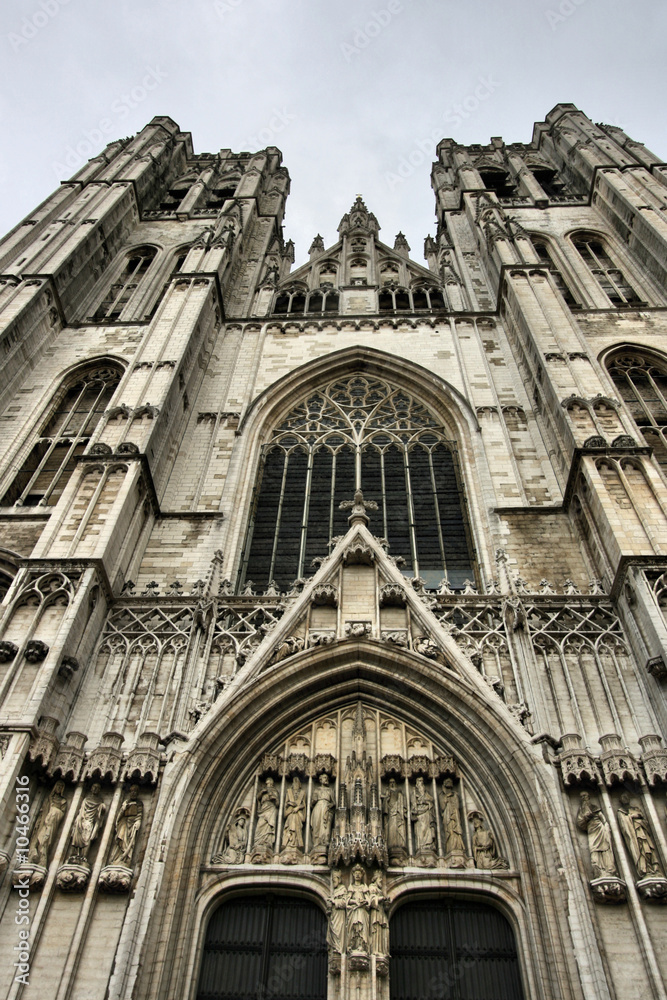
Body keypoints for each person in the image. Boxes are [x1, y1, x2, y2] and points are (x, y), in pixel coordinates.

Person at [617, 794, 662, 878]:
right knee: (640, 849)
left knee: (648, 848)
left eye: (626, 797)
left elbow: (645, 822)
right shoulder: (621, 811)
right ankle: (646, 869)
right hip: (634, 834)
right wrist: (631, 817)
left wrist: (639, 818)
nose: (625, 799)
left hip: (642, 831)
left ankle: (654, 868)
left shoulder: (636, 809)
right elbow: (624, 826)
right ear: (620, 801)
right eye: (623, 797)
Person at [576, 793, 617, 878]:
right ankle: (598, 871)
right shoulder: (582, 810)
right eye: (581, 796)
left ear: (589, 797)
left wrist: (606, 828)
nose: (583, 798)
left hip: (600, 829)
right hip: (591, 830)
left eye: (585, 796)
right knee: (594, 848)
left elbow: (603, 819)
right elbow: (580, 822)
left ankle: (608, 869)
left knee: (605, 847)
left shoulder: (595, 808)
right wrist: (586, 818)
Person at [29, 781, 67, 867]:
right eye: (58, 786)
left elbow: (62, 813)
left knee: (46, 839)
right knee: (38, 836)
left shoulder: (63, 801)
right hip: (44, 820)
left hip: (52, 822)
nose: (59, 788)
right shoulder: (49, 798)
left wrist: (54, 811)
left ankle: (42, 858)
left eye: (61, 787)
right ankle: (33, 854)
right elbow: (42, 809)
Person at [69, 783, 106, 862]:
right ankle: (75, 854)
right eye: (94, 787)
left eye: (97, 788)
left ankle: (83, 856)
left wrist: (102, 808)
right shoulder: (86, 799)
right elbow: (81, 810)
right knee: (77, 836)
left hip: (90, 821)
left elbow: (100, 814)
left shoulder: (99, 801)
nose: (95, 789)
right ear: (91, 788)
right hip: (81, 820)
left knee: (87, 838)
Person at [108, 785, 143, 867]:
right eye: (132, 791)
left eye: (135, 792)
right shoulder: (126, 802)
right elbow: (120, 815)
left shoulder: (139, 803)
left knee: (128, 841)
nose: (133, 793)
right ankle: (117, 858)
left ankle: (125, 858)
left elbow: (139, 814)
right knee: (121, 838)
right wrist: (124, 809)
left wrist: (138, 821)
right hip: (124, 822)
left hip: (132, 824)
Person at [346, 864, 370, 952]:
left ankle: (361, 945)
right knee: (354, 927)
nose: (357, 875)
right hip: (354, 911)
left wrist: (364, 901)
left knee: (362, 928)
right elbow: (347, 900)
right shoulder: (351, 887)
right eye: (356, 873)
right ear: (353, 875)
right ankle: (353, 945)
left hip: (362, 910)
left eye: (359, 873)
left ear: (362, 875)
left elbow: (368, 900)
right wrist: (355, 901)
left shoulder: (364, 887)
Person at [383, 778, 407, 862]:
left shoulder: (399, 792)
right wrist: (386, 799)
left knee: (397, 826)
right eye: (390, 782)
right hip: (391, 813)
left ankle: (398, 845)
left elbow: (402, 802)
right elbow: (385, 800)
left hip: (396, 812)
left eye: (393, 782)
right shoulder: (387, 791)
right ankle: (391, 845)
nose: (392, 784)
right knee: (391, 828)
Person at [412, 777, 436, 859]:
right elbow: (413, 806)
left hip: (426, 814)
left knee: (427, 830)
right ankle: (421, 846)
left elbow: (431, 800)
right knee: (421, 831)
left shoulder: (426, 793)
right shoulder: (414, 793)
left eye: (422, 781)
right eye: (419, 781)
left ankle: (428, 846)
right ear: (416, 783)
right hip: (419, 815)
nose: (421, 783)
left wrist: (425, 802)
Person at [310, 774, 335, 854]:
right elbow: (312, 802)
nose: (326, 779)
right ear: (320, 780)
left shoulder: (330, 790)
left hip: (326, 807)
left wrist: (331, 805)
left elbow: (334, 802)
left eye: (327, 778)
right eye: (324, 777)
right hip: (318, 806)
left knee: (325, 825)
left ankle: (324, 842)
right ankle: (316, 842)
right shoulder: (317, 790)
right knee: (316, 824)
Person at [253, 777, 279, 852]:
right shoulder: (263, 789)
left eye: (269, 781)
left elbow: (277, 803)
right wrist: (262, 792)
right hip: (263, 808)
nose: (268, 782)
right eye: (267, 781)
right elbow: (258, 797)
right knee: (260, 824)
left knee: (268, 825)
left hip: (271, 808)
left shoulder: (274, 791)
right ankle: (259, 842)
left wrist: (274, 798)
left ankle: (267, 842)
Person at [439, 778, 464, 855]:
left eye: (450, 781)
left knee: (455, 830)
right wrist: (446, 798)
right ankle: (450, 847)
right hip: (447, 815)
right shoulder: (442, 795)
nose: (449, 783)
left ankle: (457, 847)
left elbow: (457, 806)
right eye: (447, 781)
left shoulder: (455, 794)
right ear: (444, 784)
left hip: (455, 815)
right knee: (450, 831)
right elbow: (442, 807)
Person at [281, 776, 306, 854]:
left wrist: (298, 807)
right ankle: (289, 842)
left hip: (298, 814)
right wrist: (290, 804)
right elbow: (286, 803)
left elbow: (304, 805)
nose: (295, 785)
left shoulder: (302, 793)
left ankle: (295, 842)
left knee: (297, 826)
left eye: (297, 784)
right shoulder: (289, 792)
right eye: (294, 784)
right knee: (290, 826)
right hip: (290, 813)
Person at [326, 869, 348, 954]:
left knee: (339, 931)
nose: (333, 881)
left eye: (334, 878)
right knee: (334, 931)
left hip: (340, 914)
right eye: (332, 879)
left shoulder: (343, 889)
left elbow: (344, 902)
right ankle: (336, 948)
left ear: (339, 879)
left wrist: (334, 902)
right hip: (334, 915)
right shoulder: (334, 891)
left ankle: (339, 949)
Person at [368, 870, 389, 956]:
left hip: (380, 912)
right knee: (376, 928)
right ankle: (375, 950)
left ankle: (381, 950)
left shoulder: (379, 890)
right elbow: (372, 901)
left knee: (383, 929)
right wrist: (381, 899)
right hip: (375, 912)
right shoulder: (372, 887)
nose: (381, 880)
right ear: (375, 878)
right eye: (380, 878)